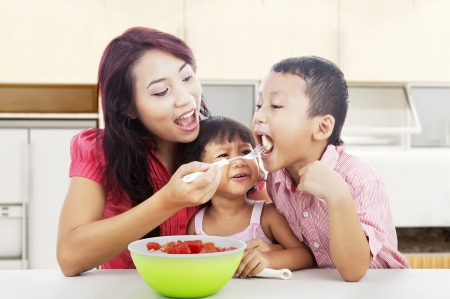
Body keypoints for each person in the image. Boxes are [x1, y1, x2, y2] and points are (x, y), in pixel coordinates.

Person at [57, 27, 229, 276]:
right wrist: (168, 201)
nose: (185, 98)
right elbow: (69, 257)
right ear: (129, 108)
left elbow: (261, 213)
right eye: (161, 91)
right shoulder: (100, 151)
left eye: (187, 77)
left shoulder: (219, 143)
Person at [252, 56, 410, 282]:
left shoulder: (361, 180)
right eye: (259, 105)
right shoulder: (276, 180)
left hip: (380, 288)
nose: (258, 116)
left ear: (322, 127)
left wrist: (338, 195)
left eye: (275, 106)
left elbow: (354, 272)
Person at [183, 116, 314, 278]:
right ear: (199, 171)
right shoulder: (196, 225)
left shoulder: (268, 215)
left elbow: (305, 256)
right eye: (223, 155)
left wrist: (269, 259)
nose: (239, 162)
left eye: (246, 152)